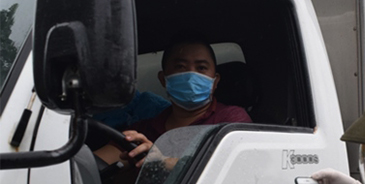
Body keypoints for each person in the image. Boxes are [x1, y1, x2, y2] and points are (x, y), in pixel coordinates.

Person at [95, 31, 252, 167]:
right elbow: (92, 165)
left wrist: (163, 161)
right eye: (180, 67)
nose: (191, 76)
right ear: (163, 79)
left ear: (215, 81)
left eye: (201, 68)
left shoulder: (231, 121)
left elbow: (233, 168)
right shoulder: (144, 129)